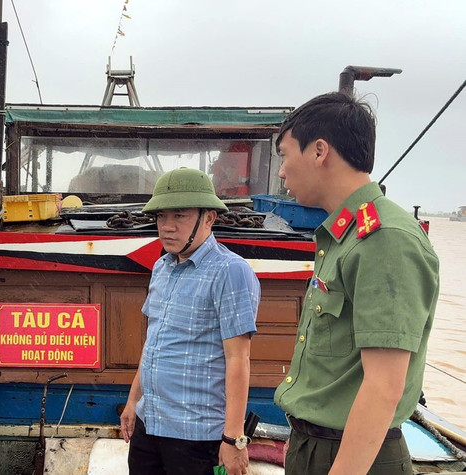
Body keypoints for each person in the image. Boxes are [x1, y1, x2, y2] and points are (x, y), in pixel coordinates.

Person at [273, 92, 439, 475]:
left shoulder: (384, 239)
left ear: (319, 151)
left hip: (353, 458)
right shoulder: (345, 235)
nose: (281, 172)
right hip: (316, 448)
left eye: (284, 154)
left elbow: (383, 386)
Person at [120, 168, 261, 475]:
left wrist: (234, 439)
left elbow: (239, 359)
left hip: (196, 437)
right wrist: (133, 402)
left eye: (179, 216)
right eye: (161, 217)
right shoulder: (162, 268)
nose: (167, 227)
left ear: (208, 218)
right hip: (149, 425)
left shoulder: (231, 272)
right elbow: (154, 343)